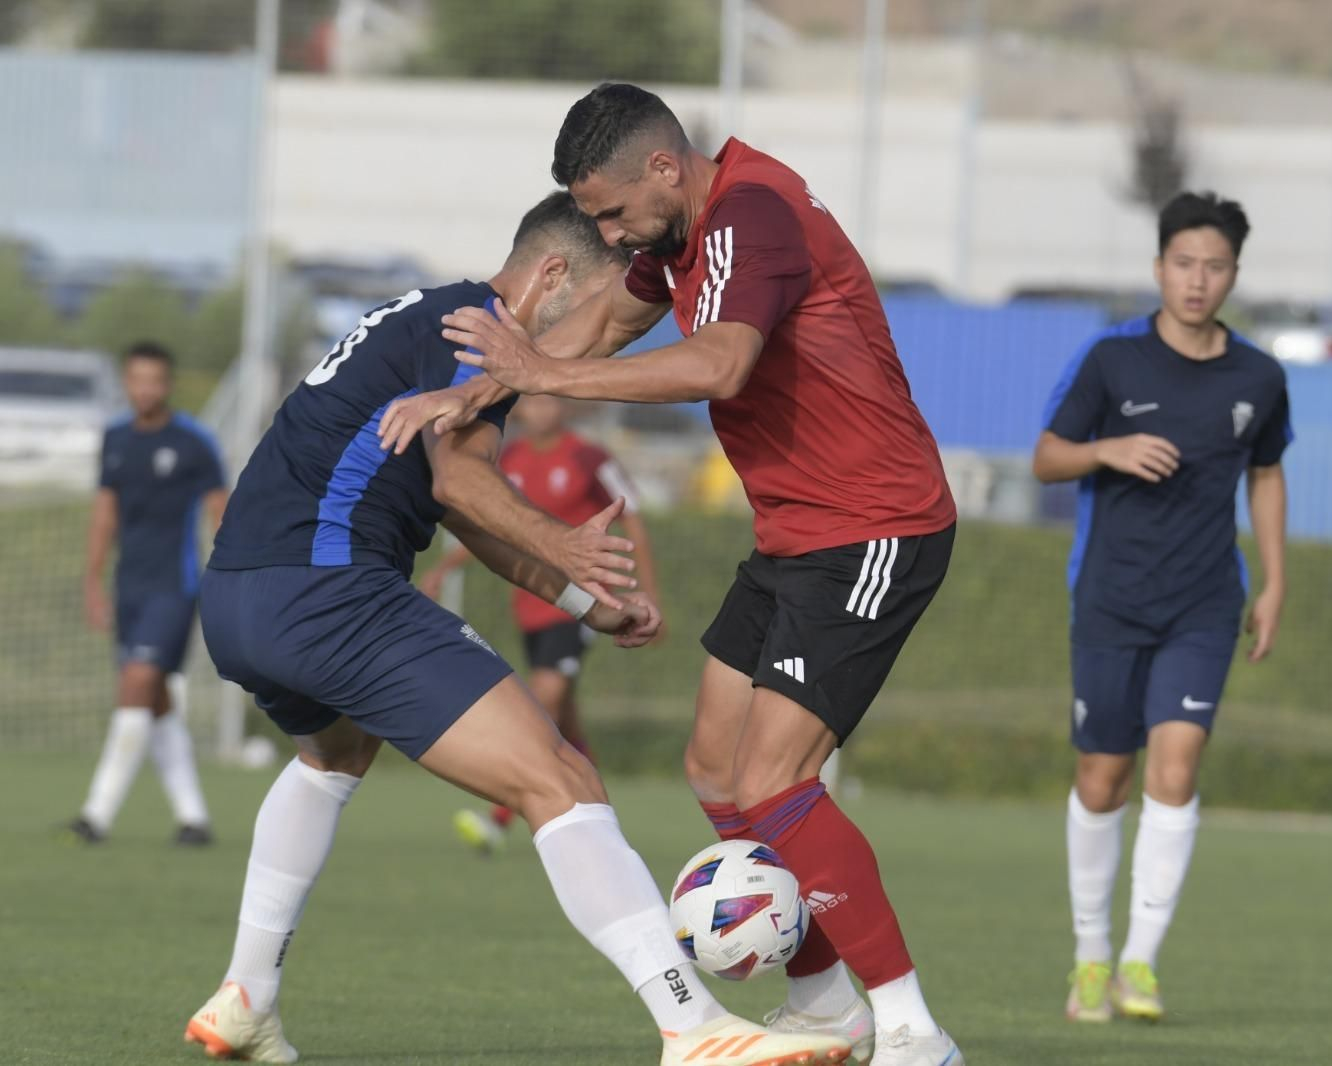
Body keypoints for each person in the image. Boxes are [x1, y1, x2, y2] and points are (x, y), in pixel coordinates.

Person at [182, 191, 848, 1066]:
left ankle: (245, 998)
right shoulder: (475, 329)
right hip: (327, 590)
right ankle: (692, 1027)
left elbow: (462, 513)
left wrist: (582, 599)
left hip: (238, 598)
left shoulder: (420, 319)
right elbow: (463, 486)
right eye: (593, 311)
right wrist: (565, 543)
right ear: (553, 276)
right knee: (561, 779)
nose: (580, 346)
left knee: (333, 754)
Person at [379, 82, 963, 1066]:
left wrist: (542, 375)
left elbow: (719, 365)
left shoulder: (750, 215)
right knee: (714, 766)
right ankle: (825, 1001)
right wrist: (482, 388)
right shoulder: (679, 235)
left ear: (663, 167)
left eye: (609, 210)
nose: (606, 231)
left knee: (775, 779)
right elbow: (605, 320)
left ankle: (913, 1028)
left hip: (874, 529)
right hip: (794, 536)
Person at [1032, 192, 1291, 1024]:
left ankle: (1139, 963)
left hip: (1204, 605)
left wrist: (1276, 580)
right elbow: (1044, 458)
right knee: (1103, 779)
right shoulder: (1112, 361)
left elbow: (1266, 474)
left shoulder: (1259, 376)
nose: (1198, 279)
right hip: (1110, 599)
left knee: (1175, 772)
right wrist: (1105, 448)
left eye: (1214, 266)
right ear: (1158, 269)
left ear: (1234, 276)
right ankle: (1089, 959)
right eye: (1184, 263)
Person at [418, 393, 662, 853]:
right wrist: (443, 568)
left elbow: (635, 523)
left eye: (552, 399)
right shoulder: (509, 458)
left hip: (584, 604)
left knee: (542, 699)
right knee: (564, 725)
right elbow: (496, 527)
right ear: (521, 408)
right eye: (534, 400)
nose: (542, 408)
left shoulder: (589, 457)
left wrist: (648, 593)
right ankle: (600, 821)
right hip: (533, 604)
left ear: (567, 407)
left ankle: (499, 818)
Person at [69, 341, 227, 846]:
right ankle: (194, 819)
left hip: (174, 586)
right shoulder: (115, 439)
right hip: (128, 587)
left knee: (137, 682)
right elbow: (104, 513)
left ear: (168, 383)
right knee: (154, 701)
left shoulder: (195, 441)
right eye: (137, 379)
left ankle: (95, 816)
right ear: (126, 381)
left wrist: (229, 580)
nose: (146, 389)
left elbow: (219, 512)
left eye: (155, 380)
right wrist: (93, 580)